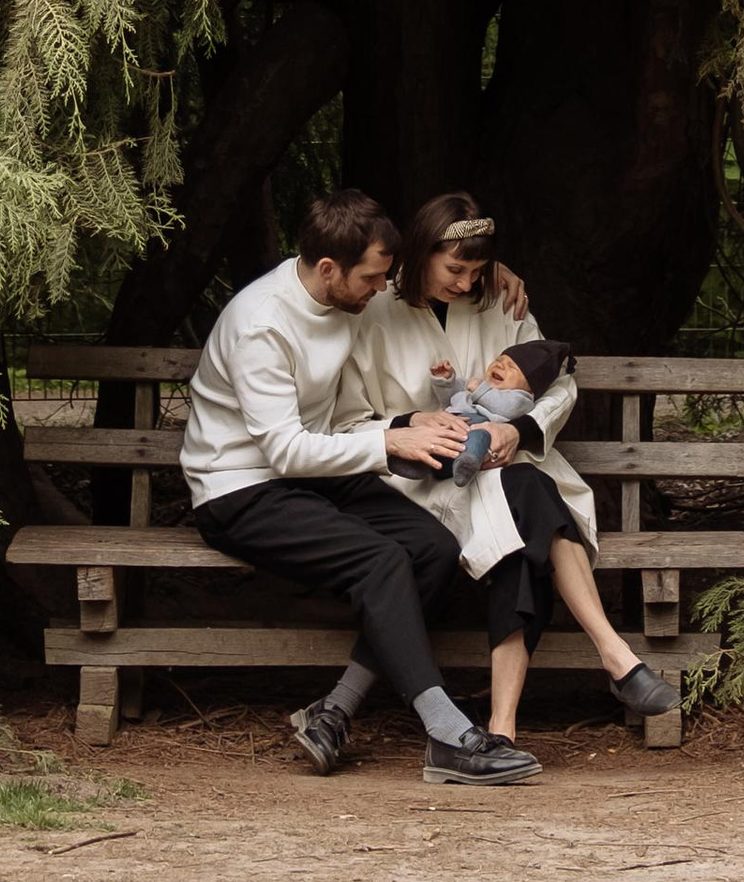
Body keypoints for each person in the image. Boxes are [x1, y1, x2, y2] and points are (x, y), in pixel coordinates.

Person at [287, 189, 678, 773]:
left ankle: (504, 726)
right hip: (416, 483)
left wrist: (519, 429)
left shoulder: (501, 300)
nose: (467, 284)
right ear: (419, 253)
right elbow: (344, 421)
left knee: (524, 507)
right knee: (532, 512)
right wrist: (410, 424)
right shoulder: (372, 312)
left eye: (476, 270)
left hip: (501, 466)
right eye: (455, 268)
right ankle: (611, 661)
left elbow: (557, 380)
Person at [179, 188, 540, 786]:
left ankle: (334, 710)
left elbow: (335, 424)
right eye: (373, 279)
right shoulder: (261, 326)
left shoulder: (341, 300)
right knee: (381, 562)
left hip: (316, 476)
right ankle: (448, 734)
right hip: (239, 489)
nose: (381, 290)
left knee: (433, 549)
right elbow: (285, 449)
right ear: (329, 268)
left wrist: (406, 423)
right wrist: (388, 444)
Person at [434, 337, 574, 472]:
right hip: (447, 428)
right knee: (429, 439)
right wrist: (446, 382)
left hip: (477, 429)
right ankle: (418, 466)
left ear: (530, 389)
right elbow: (451, 400)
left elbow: (506, 408)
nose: (500, 365)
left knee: (479, 437)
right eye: (498, 360)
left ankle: (467, 464)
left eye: (511, 367)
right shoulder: (478, 386)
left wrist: (479, 389)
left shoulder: (520, 399)